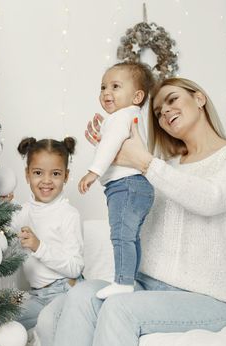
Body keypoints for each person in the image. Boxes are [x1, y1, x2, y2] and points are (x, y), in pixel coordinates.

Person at [38, 77, 226, 346]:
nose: (164, 112)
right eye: (157, 112)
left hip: (207, 299)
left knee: (119, 309)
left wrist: (143, 162)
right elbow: (133, 212)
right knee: (76, 298)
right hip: (148, 286)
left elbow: (211, 199)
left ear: (199, 99)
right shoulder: (166, 167)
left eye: (172, 100)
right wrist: (110, 149)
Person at [0, 137, 84, 346]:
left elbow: (76, 267)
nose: (46, 181)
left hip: (64, 293)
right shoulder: (23, 212)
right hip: (37, 296)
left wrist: (40, 247)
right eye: (38, 172)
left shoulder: (69, 215)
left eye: (55, 174)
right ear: (27, 174)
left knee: (49, 329)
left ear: (66, 176)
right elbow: (0, 235)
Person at [78, 62, 156, 299]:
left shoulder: (121, 116)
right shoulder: (130, 116)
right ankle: (130, 279)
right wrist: (101, 138)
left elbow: (111, 146)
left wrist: (94, 172)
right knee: (130, 236)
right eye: (103, 87)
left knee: (121, 235)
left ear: (137, 96)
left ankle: (122, 282)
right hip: (138, 186)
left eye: (115, 86)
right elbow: (114, 144)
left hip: (126, 186)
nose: (106, 93)